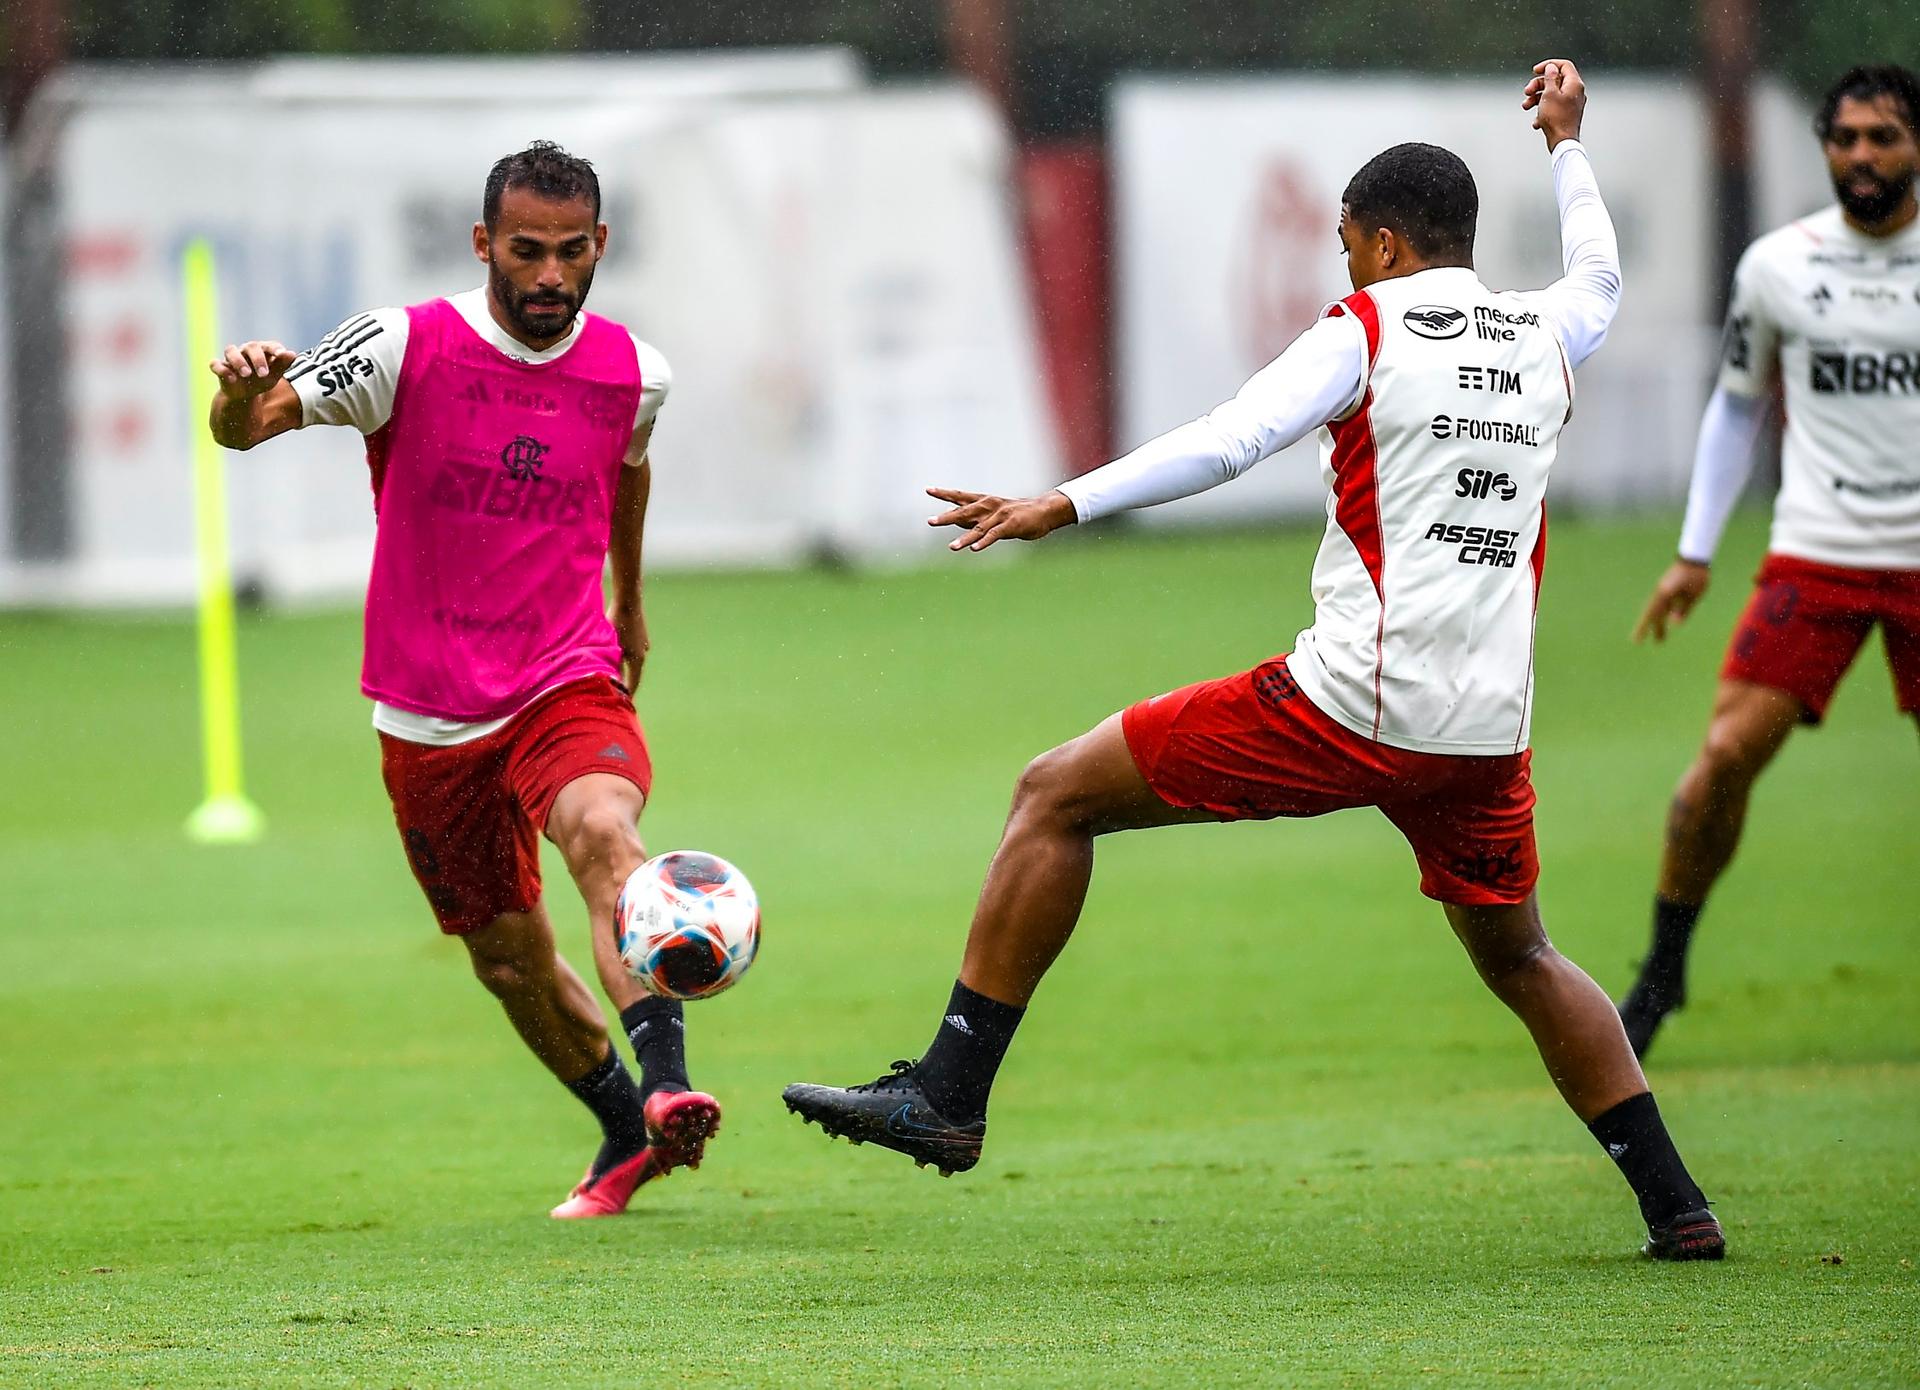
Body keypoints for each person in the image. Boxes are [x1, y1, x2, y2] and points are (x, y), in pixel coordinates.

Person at [784, 62, 1724, 1260]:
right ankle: (1679, 1207)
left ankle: (950, 1093)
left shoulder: (1370, 326)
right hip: (1486, 731)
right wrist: (1569, 146)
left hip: (1348, 707)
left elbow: (1230, 441)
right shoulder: (1546, 330)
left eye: (1346, 245)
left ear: (1382, 242)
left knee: (1052, 794)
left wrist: (1059, 502)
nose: (1342, 265)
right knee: (1526, 954)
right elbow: (1600, 270)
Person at [207, 141, 719, 1219]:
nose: (548, 276)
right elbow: (247, 431)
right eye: (525, 251)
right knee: (506, 960)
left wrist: (629, 601)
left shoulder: (638, 372)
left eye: (570, 253)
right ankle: (625, 1129)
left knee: (603, 833)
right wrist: (238, 396)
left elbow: (629, 465)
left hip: (565, 675)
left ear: (599, 248)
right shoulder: (403, 345)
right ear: (484, 242)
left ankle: (670, 1084)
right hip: (427, 710)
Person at [1618, 65, 1920, 1059]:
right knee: (1717, 769)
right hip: (1819, 551)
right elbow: (1740, 403)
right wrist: (1694, 551)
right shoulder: (1780, 265)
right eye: (1846, 139)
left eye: (1883, 137)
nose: (1863, 157)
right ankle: (1661, 975)